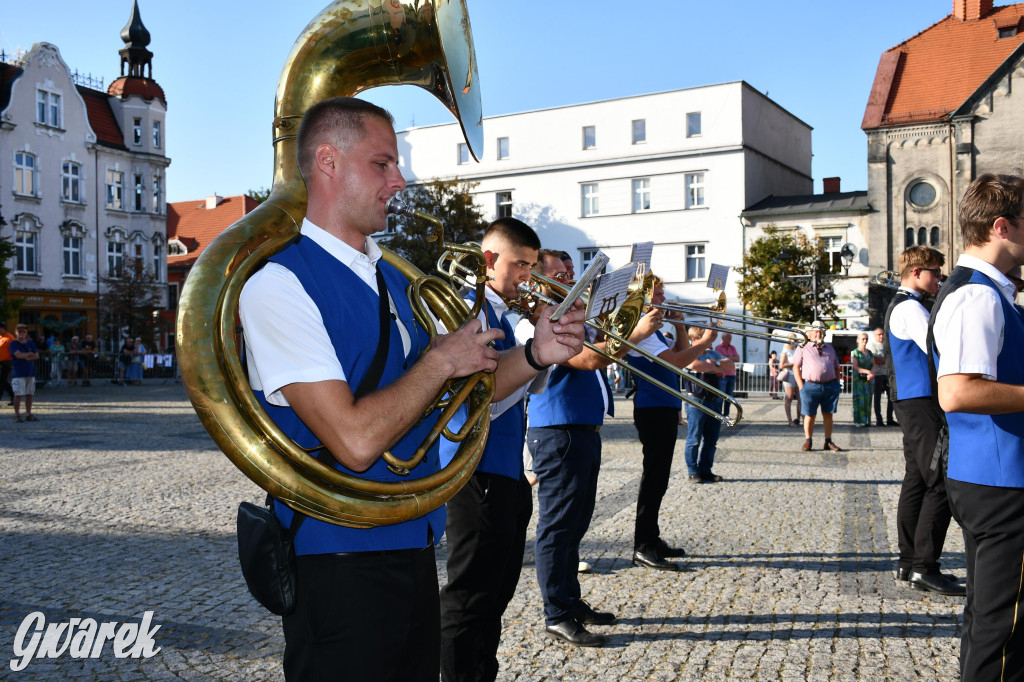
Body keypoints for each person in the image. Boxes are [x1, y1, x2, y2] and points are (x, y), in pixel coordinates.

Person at [236, 97, 585, 681]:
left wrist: (534, 354)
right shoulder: (277, 284)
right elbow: (353, 439)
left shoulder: (395, 276)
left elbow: (465, 398)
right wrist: (442, 361)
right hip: (338, 555)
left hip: (413, 543)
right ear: (327, 161)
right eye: (382, 164)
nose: (399, 180)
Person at [518, 249, 661, 648]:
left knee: (577, 522)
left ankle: (570, 599)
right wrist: (635, 334)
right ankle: (557, 614)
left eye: (571, 271)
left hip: (580, 427)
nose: (570, 277)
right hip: (557, 428)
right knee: (558, 524)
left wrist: (621, 327)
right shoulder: (541, 320)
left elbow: (606, 353)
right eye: (560, 273)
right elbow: (588, 361)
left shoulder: (574, 316)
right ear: (541, 280)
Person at [438, 217, 552, 682]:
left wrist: (544, 344)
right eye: (519, 265)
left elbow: (532, 387)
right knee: (469, 599)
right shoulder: (467, 311)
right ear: (488, 260)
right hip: (473, 472)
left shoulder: (506, 314)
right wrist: (532, 356)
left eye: (531, 266)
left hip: (504, 472)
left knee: (496, 593)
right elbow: (475, 402)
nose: (528, 276)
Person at [930, 173, 1024, 679]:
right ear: (1003, 227)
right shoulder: (978, 295)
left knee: (991, 618)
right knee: (1002, 629)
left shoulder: (990, 291)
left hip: (991, 474)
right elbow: (958, 392)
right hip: (1001, 480)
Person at [884, 245, 962, 597]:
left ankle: (908, 561)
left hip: (912, 400)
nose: (940, 278)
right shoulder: (911, 308)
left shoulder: (908, 305)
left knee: (917, 479)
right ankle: (924, 567)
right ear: (916, 272)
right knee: (939, 481)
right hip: (920, 402)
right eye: (935, 272)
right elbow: (940, 346)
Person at [624, 278, 717, 572]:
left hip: (663, 405)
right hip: (652, 408)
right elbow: (677, 363)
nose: (664, 299)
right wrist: (704, 343)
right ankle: (643, 545)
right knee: (654, 478)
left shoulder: (654, 329)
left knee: (660, 478)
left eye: (663, 293)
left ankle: (652, 537)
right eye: (658, 294)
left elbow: (678, 350)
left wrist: (679, 326)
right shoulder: (641, 327)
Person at [683, 325, 732, 483]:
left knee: (711, 439)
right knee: (694, 438)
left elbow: (730, 365)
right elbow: (694, 365)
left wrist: (714, 365)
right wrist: (715, 367)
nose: (710, 342)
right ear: (695, 339)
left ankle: (706, 470)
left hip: (714, 400)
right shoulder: (688, 352)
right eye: (707, 338)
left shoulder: (712, 353)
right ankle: (692, 471)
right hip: (696, 400)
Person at [793, 321, 842, 452]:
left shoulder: (830, 348)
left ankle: (828, 441)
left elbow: (836, 366)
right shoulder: (803, 347)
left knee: (828, 414)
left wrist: (837, 384)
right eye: (815, 331)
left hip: (830, 385)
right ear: (809, 333)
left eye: (820, 331)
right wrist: (801, 386)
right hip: (810, 385)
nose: (818, 333)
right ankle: (808, 440)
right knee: (809, 414)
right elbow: (796, 367)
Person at [10, 324, 40, 422]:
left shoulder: (30, 343)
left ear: (26, 332)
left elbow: (36, 356)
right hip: (18, 373)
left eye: (24, 331)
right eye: (20, 331)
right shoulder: (13, 343)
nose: (22, 333)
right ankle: (17, 415)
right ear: (16, 332)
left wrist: (26, 356)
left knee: (30, 394)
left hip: (30, 372)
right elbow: (18, 355)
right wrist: (29, 355)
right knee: (18, 394)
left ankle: (28, 413)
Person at [867, 327, 895, 426]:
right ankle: (879, 419)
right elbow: (875, 360)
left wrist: (885, 360)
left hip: (887, 374)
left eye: (882, 334)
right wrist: (886, 360)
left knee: (891, 397)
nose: (881, 336)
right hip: (877, 374)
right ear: (875, 336)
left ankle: (890, 418)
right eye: (879, 334)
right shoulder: (872, 346)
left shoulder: (887, 345)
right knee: (877, 398)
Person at [849, 332, 874, 427]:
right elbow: (855, 367)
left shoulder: (870, 352)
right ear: (858, 340)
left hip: (868, 380)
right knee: (859, 400)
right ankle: (858, 420)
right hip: (859, 380)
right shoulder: (855, 352)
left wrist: (872, 373)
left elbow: (874, 364)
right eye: (863, 339)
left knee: (868, 400)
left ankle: (867, 420)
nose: (865, 341)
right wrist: (868, 372)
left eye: (866, 339)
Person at [713, 332, 740, 417]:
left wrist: (727, 358)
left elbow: (737, 358)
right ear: (723, 338)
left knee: (729, 396)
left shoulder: (732, 348)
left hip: (731, 374)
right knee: (721, 395)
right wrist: (730, 359)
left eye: (731, 338)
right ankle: (718, 413)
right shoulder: (718, 348)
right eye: (729, 338)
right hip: (722, 375)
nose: (730, 340)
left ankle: (726, 414)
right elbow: (718, 359)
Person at [778, 340, 801, 426]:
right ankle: (790, 420)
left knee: (800, 398)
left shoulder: (798, 350)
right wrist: (793, 364)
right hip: (789, 375)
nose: (793, 342)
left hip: (798, 374)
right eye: (791, 340)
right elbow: (781, 365)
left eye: (795, 340)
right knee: (789, 397)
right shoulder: (785, 352)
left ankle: (799, 418)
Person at [0, 322, 15, 405]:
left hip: (6, 362)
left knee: (2, 381)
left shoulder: (9, 338)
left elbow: (14, 351)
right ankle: (13, 395)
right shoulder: (0, 337)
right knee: (3, 381)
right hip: (0, 362)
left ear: (3, 328)